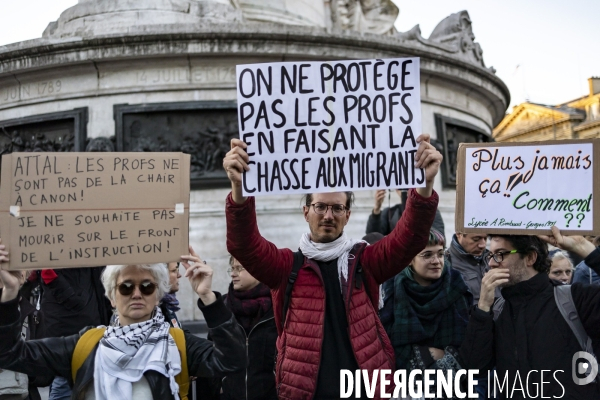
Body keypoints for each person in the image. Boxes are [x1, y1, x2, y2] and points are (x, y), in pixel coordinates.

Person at [223, 134, 443, 399]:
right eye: (320, 207)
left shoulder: (365, 262)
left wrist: (425, 185)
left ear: (348, 215)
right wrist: (239, 189)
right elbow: (244, 246)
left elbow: (409, 239)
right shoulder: (285, 267)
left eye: (338, 208)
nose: (328, 215)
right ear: (306, 211)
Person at [0, 244, 246, 400]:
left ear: (158, 294)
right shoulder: (85, 346)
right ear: (112, 297)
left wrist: (208, 298)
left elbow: (233, 360)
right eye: (126, 287)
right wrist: (10, 295)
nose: (136, 293)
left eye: (147, 286)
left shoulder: (179, 344)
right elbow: (10, 353)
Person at [460, 227, 600, 399]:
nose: (492, 263)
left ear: (530, 257)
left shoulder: (573, 300)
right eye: (490, 255)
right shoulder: (497, 310)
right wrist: (482, 309)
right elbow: (473, 367)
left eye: (501, 253)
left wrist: (585, 248)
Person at [380, 229, 471, 398]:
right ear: (409, 260)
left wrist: (447, 356)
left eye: (440, 254)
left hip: (452, 388)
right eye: (427, 255)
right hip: (403, 387)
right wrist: (422, 355)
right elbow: (384, 344)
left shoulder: (456, 287)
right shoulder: (392, 290)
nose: (436, 261)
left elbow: (469, 344)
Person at [218, 257, 277, 400]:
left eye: (239, 268)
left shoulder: (277, 307)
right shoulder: (222, 306)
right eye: (232, 268)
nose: (233, 273)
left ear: (259, 270)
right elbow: (212, 353)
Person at [447, 232, 504, 319]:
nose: (483, 245)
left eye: (486, 239)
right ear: (459, 234)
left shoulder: (494, 259)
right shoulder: (446, 264)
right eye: (476, 239)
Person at [366, 189, 446, 238]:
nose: (405, 190)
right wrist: (376, 209)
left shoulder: (429, 210)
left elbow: (438, 237)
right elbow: (372, 236)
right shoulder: (389, 212)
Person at [161, 262, 183, 328]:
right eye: (174, 270)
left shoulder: (167, 306)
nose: (179, 275)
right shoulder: (155, 312)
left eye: (178, 270)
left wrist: (206, 295)